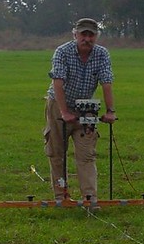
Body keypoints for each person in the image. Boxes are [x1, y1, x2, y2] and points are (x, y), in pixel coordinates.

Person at [44, 18, 116, 201]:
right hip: (58, 104)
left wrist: (110, 111)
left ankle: (89, 198)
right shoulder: (63, 52)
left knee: (86, 154)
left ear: (96, 36)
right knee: (57, 153)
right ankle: (62, 197)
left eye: (91, 35)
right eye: (83, 34)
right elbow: (58, 82)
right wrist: (64, 112)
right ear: (75, 34)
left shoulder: (102, 54)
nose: (87, 38)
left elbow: (106, 82)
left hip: (86, 106)